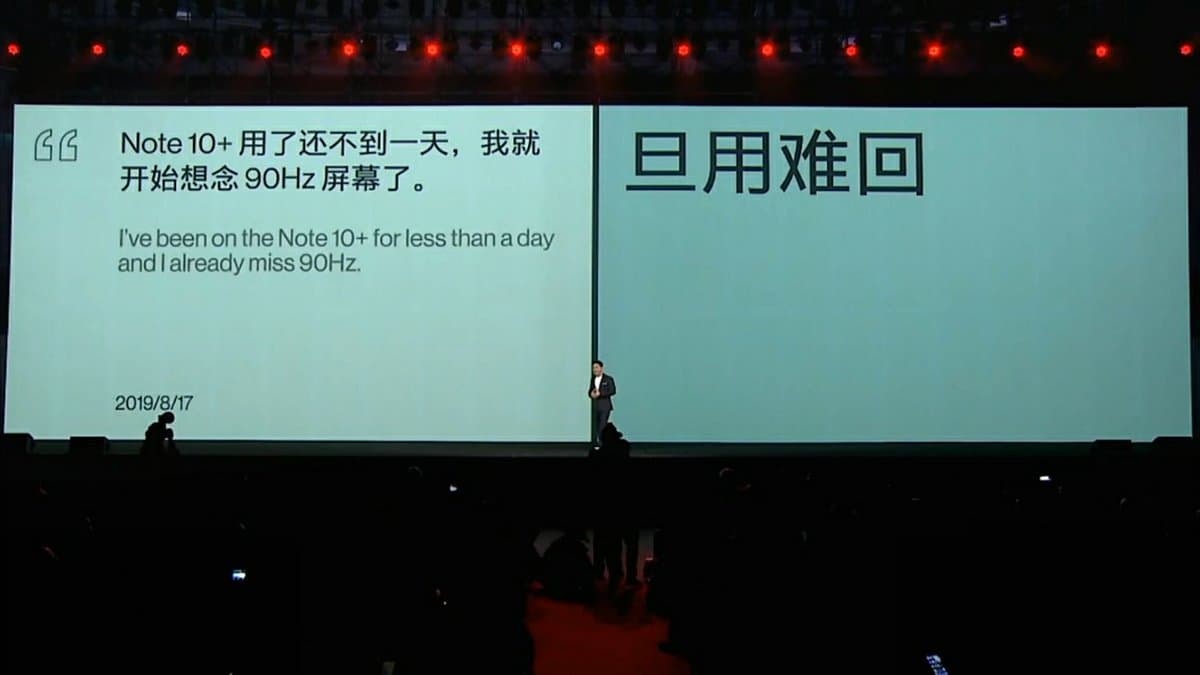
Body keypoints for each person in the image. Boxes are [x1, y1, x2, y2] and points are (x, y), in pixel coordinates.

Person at [588, 360, 616, 449]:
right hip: (595, 406)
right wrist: (591, 394)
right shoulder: (593, 379)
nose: (594, 369)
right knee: (596, 425)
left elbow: (612, 391)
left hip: (605, 406)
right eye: (593, 368)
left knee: (602, 425)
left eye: (596, 367)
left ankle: (601, 444)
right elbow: (590, 390)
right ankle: (600, 443)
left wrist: (601, 394)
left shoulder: (608, 379)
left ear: (601, 368)